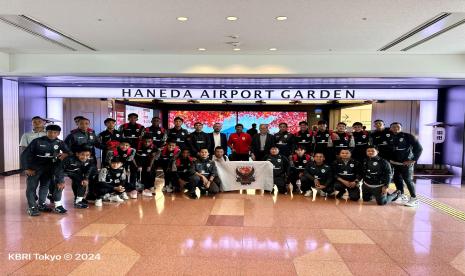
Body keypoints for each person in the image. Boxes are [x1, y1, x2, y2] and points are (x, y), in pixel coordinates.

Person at [21, 125, 70, 216]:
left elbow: (69, 152)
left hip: (49, 168)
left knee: (45, 186)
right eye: (50, 132)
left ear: (58, 133)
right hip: (34, 168)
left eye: (55, 132)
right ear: (46, 132)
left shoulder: (60, 142)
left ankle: (41, 205)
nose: (52, 134)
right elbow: (25, 155)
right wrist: (26, 168)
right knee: (31, 187)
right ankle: (32, 207)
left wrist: (65, 154)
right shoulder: (37, 141)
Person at [389, 122, 423, 207]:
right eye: (393, 127)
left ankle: (414, 198)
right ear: (390, 128)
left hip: (405, 164)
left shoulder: (408, 136)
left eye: (398, 127)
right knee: (397, 179)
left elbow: (419, 148)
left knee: (408, 180)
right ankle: (401, 194)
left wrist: (413, 160)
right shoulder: (390, 137)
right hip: (394, 163)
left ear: (401, 128)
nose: (395, 128)